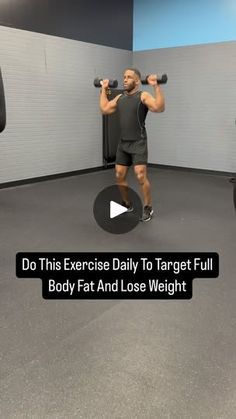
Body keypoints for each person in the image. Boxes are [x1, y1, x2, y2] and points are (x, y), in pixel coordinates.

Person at [99, 68, 165, 222]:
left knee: (141, 175)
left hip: (138, 142)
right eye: (124, 77)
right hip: (123, 143)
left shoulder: (143, 95)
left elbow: (159, 108)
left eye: (129, 77)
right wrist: (103, 89)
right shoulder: (120, 97)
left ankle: (148, 207)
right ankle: (127, 204)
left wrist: (156, 86)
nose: (125, 80)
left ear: (137, 81)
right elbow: (104, 109)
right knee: (119, 175)